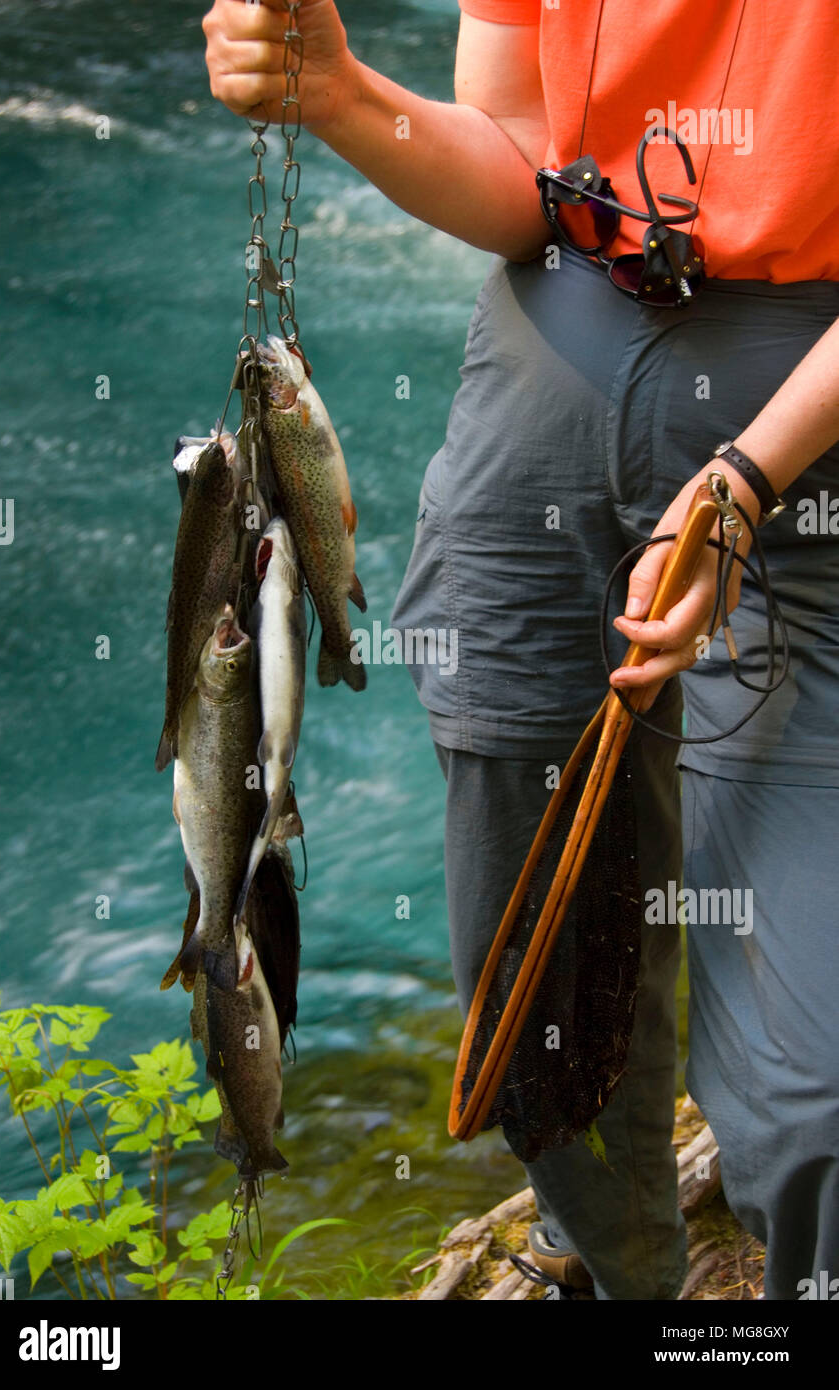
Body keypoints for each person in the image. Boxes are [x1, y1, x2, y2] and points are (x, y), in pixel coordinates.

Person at [202, 0, 839, 1300]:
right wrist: (339, 91)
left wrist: (747, 481)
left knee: (808, 1081)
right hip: (555, 349)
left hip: (806, 417)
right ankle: (629, 1277)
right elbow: (520, 161)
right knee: (529, 948)